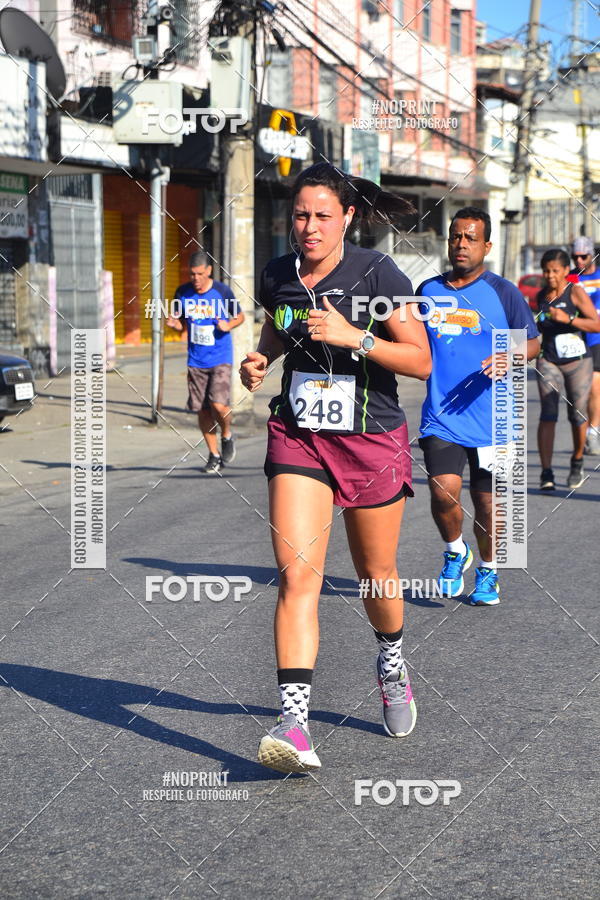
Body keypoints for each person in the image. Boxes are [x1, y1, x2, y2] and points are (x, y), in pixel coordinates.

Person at [240, 162, 431, 774]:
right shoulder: (277, 273)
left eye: (323, 215)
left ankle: (392, 660)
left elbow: (421, 361)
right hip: (299, 437)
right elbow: (280, 326)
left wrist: (356, 337)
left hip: (371, 438)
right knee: (299, 577)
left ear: (348, 217)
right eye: (301, 215)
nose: (310, 226)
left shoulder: (377, 272)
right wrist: (260, 359)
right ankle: (293, 725)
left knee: (377, 573)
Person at [417, 207, 539, 606]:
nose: (461, 244)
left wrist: (512, 356)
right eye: (456, 236)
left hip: (495, 420)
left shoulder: (504, 293)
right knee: (442, 492)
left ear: (487, 245)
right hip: (442, 415)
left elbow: (533, 342)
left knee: (487, 504)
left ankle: (488, 569)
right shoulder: (427, 291)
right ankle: (456, 552)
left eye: (470, 238)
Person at [167, 251, 244, 473]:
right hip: (195, 359)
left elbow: (240, 316)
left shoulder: (222, 291)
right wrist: (176, 326)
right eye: (192, 275)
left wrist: (228, 325)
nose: (196, 279)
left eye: (200, 274)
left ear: (209, 270)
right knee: (202, 410)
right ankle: (214, 454)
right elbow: (181, 323)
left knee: (219, 404)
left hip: (220, 357)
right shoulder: (182, 293)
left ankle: (227, 435)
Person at [535, 248, 600, 490]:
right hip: (549, 359)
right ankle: (546, 472)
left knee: (577, 414)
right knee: (548, 412)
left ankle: (577, 461)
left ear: (565, 271)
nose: (550, 276)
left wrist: (569, 320)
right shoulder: (542, 296)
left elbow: (596, 324)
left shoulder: (576, 292)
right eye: (546, 271)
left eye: (555, 271)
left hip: (578, 361)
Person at [568, 237, 600, 455]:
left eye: (584, 256)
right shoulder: (570, 277)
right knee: (582, 390)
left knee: (596, 385)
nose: (579, 261)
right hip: (577, 336)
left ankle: (593, 432)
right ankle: (583, 430)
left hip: (597, 337)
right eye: (575, 256)